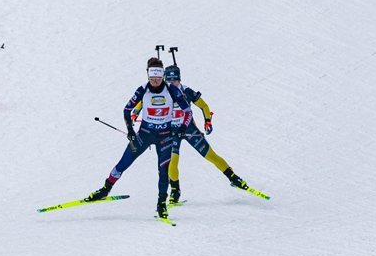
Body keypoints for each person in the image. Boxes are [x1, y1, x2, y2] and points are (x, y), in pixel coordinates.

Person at [84, 58, 186, 219]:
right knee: (123, 164)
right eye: (152, 78)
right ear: (148, 75)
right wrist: (130, 130)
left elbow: (188, 111)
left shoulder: (172, 90)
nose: (155, 81)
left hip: (165, 137)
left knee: (163, 172)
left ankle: (161, 204)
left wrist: (182, 128)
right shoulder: (142, 90)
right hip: (144, 135)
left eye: (158, 78)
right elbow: (127, 110)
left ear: (163, 76)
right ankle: (105, 189)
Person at [162, 64, 254, 203]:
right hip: (172, 133)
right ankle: (175, 191)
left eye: (174, 80)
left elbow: (204, 106)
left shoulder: (186, 91)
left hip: (189, 129)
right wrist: (136, 113)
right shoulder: (162, 93)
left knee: (211, 155)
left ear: (179, 80)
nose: (172, 83)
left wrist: (208, 121)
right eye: (168, 80)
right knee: (172, 162)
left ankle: (234, 178)